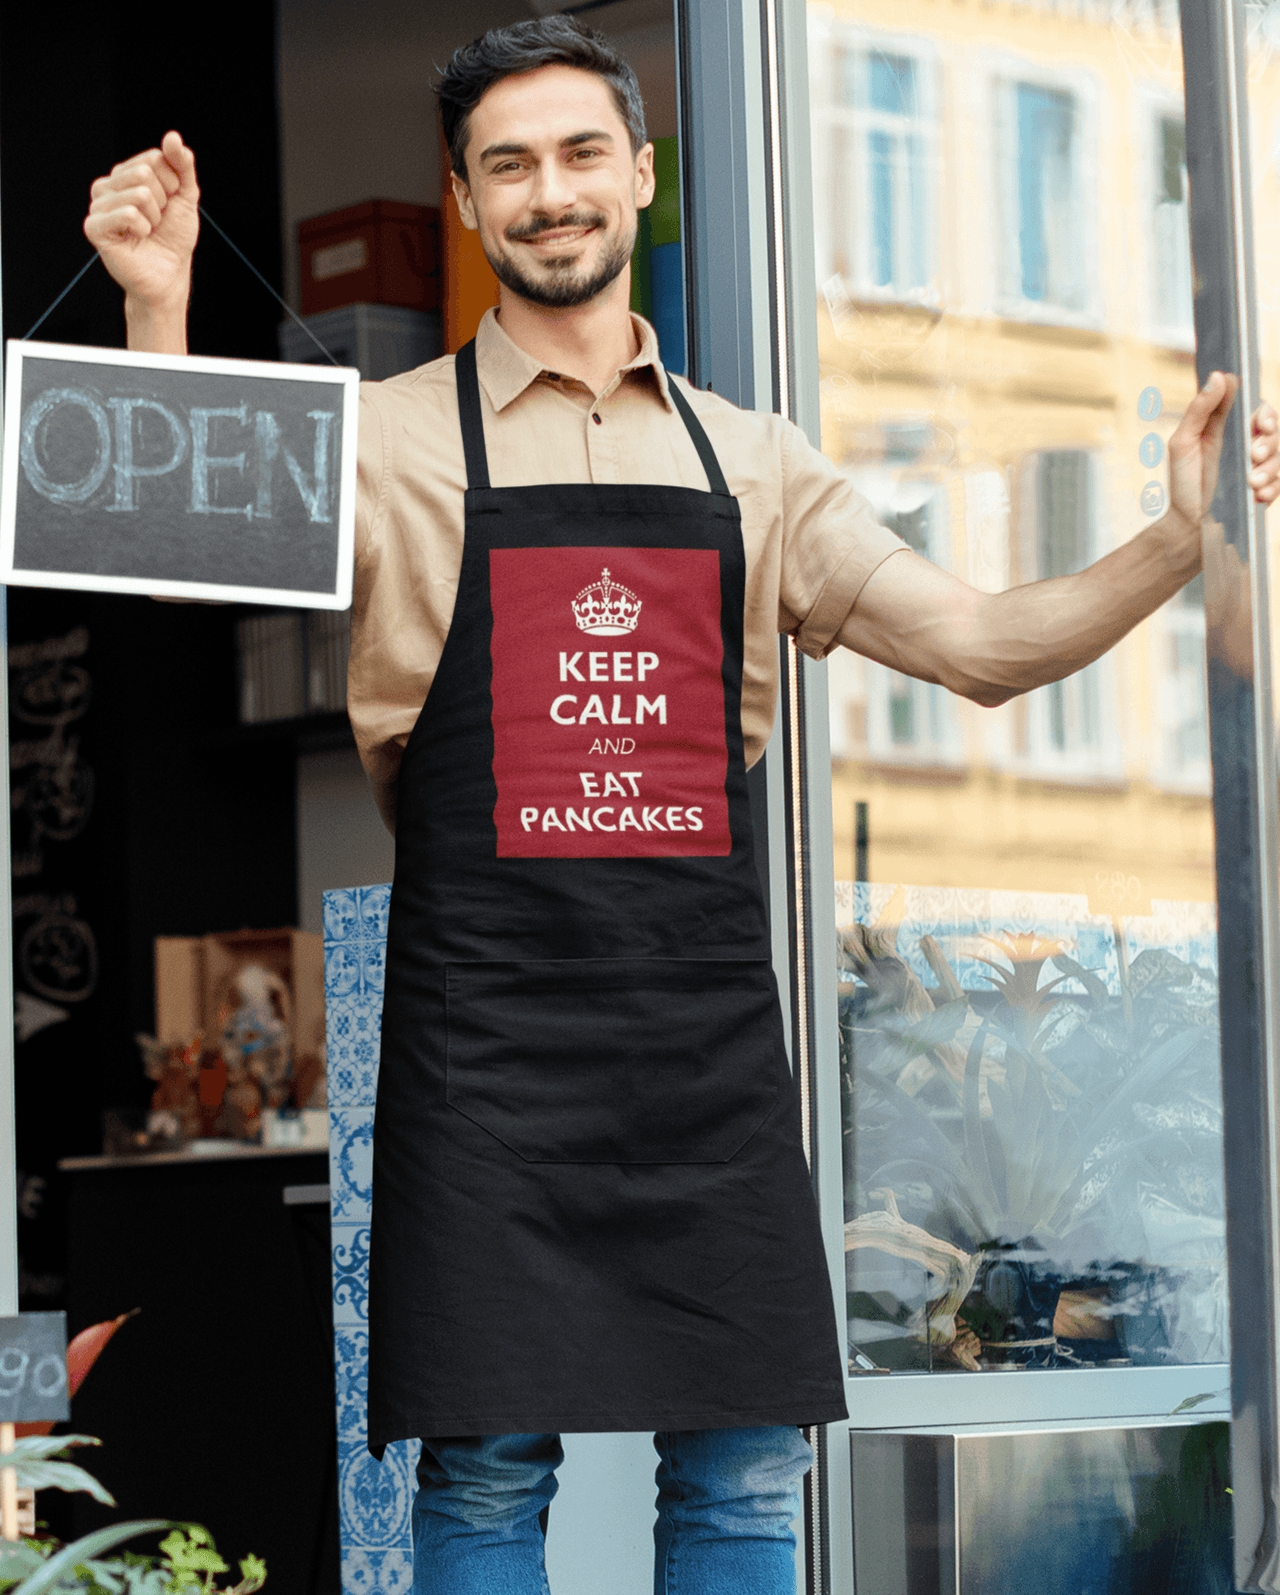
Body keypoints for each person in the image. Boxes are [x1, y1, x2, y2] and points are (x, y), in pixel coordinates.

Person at [84, 16, 1279, 1595]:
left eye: (583, 153)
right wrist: (157, 303)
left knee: (737, 1474)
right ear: (463, 199)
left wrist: (1169, 543)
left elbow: (984, 649)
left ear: (641, 177)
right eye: (507, 163)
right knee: (486, 1472)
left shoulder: (761, 463)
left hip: (701, 1050)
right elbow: (174, 543)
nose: (550, 189)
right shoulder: (382, 443)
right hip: (485, 1048)